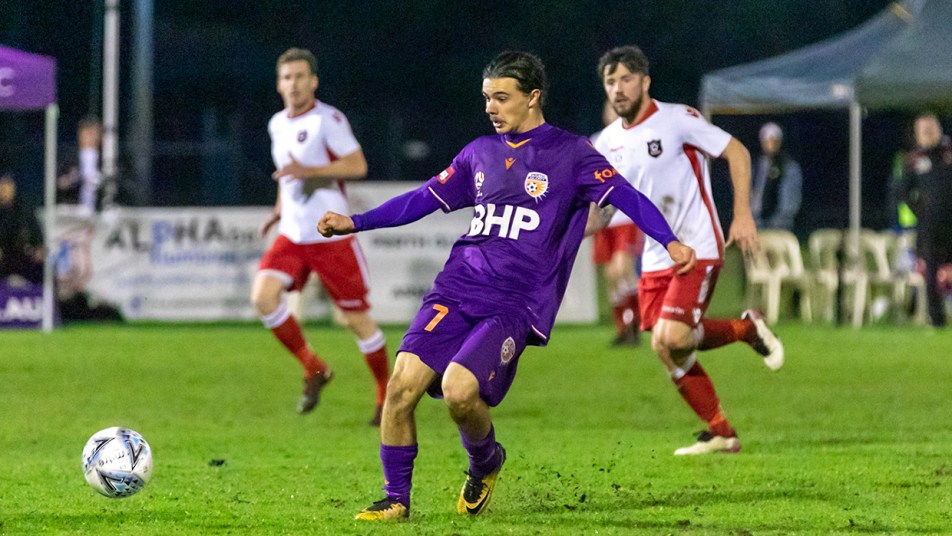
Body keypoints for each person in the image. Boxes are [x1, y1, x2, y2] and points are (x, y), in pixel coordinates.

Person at [318, 50, 697, 521]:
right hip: (457, 287)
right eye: (486, 98)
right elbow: (422, 200)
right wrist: (355, 222)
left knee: (459, 394)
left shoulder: (571, 153)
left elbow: (627, 197)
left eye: (501, 97)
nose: (491, 108)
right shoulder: (480, 153)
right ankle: (396, 499)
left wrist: (671, 241)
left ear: (533, 97)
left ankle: (485, 462)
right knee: (400, 388)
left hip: (515, 303)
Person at [594, 45, 784, 456]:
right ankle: (722, 429)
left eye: (626, 79)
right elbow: (603, 210)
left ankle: (744, 340)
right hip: (658, 255)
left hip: (698, 245)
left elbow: (737, 151)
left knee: (673, 335)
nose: (619, 88)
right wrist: (559, 233)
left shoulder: (678, 120)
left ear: (645, 82)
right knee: (666, 345)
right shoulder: (607, 142)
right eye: (611, 82)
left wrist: (742, 215)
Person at [251, 47, 390, 423]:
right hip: (293, 234)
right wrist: (279, 210)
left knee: (358, 320)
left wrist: (309, 169)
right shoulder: (277, 124)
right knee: (263, 298)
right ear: (279, 84)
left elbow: (357, 164)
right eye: (286, 78)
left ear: (313, 81)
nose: (293, 84)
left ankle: (386, 395)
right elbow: (287, 173)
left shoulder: (328, 120)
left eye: (300, 77)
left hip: (330, 233)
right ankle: (313, 367)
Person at [590, 100, 645, 346]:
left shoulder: (634, 140)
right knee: (612, 275)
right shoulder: (596, 141)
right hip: (604, 220)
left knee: (623, 268)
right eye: (608, 108)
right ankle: (623, 327)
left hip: (625, 217)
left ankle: (637, 322)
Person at [898, 112, 952, 328]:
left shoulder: (949, 152)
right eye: (923, 130)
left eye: (931, 129)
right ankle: (936, 319)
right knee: (931, 274)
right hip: (930, 227)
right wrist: (919, 211)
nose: (928, 134)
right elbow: (902, 192)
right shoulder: (914, 160)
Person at [750, 122, 802, 231]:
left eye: (774, 140)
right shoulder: (754, 165)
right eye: (767, 140)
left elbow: (791, 199)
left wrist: (780, 219)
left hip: (780, 223)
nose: (770, 144)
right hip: (756, 221)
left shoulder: (789, 166)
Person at [0, 173, 44, 285]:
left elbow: (36, 233)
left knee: (44, 267)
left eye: (8, 185)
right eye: (2, 186)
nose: (5, 189)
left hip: (22, 254)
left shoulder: (23, 209)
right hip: (4, 256)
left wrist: (39, 247)